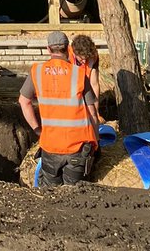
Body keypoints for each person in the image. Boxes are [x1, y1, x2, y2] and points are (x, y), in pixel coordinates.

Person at [19, 30, 99, 187]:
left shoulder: (37, 72)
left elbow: (24, 101)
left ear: (48, 49)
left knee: (51, 195)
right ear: (67, 48)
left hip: (51, 147)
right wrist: (96, 143)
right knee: (75, 194)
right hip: (78, 149)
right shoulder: (79, 74)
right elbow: (93, 114)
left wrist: (37, 130)